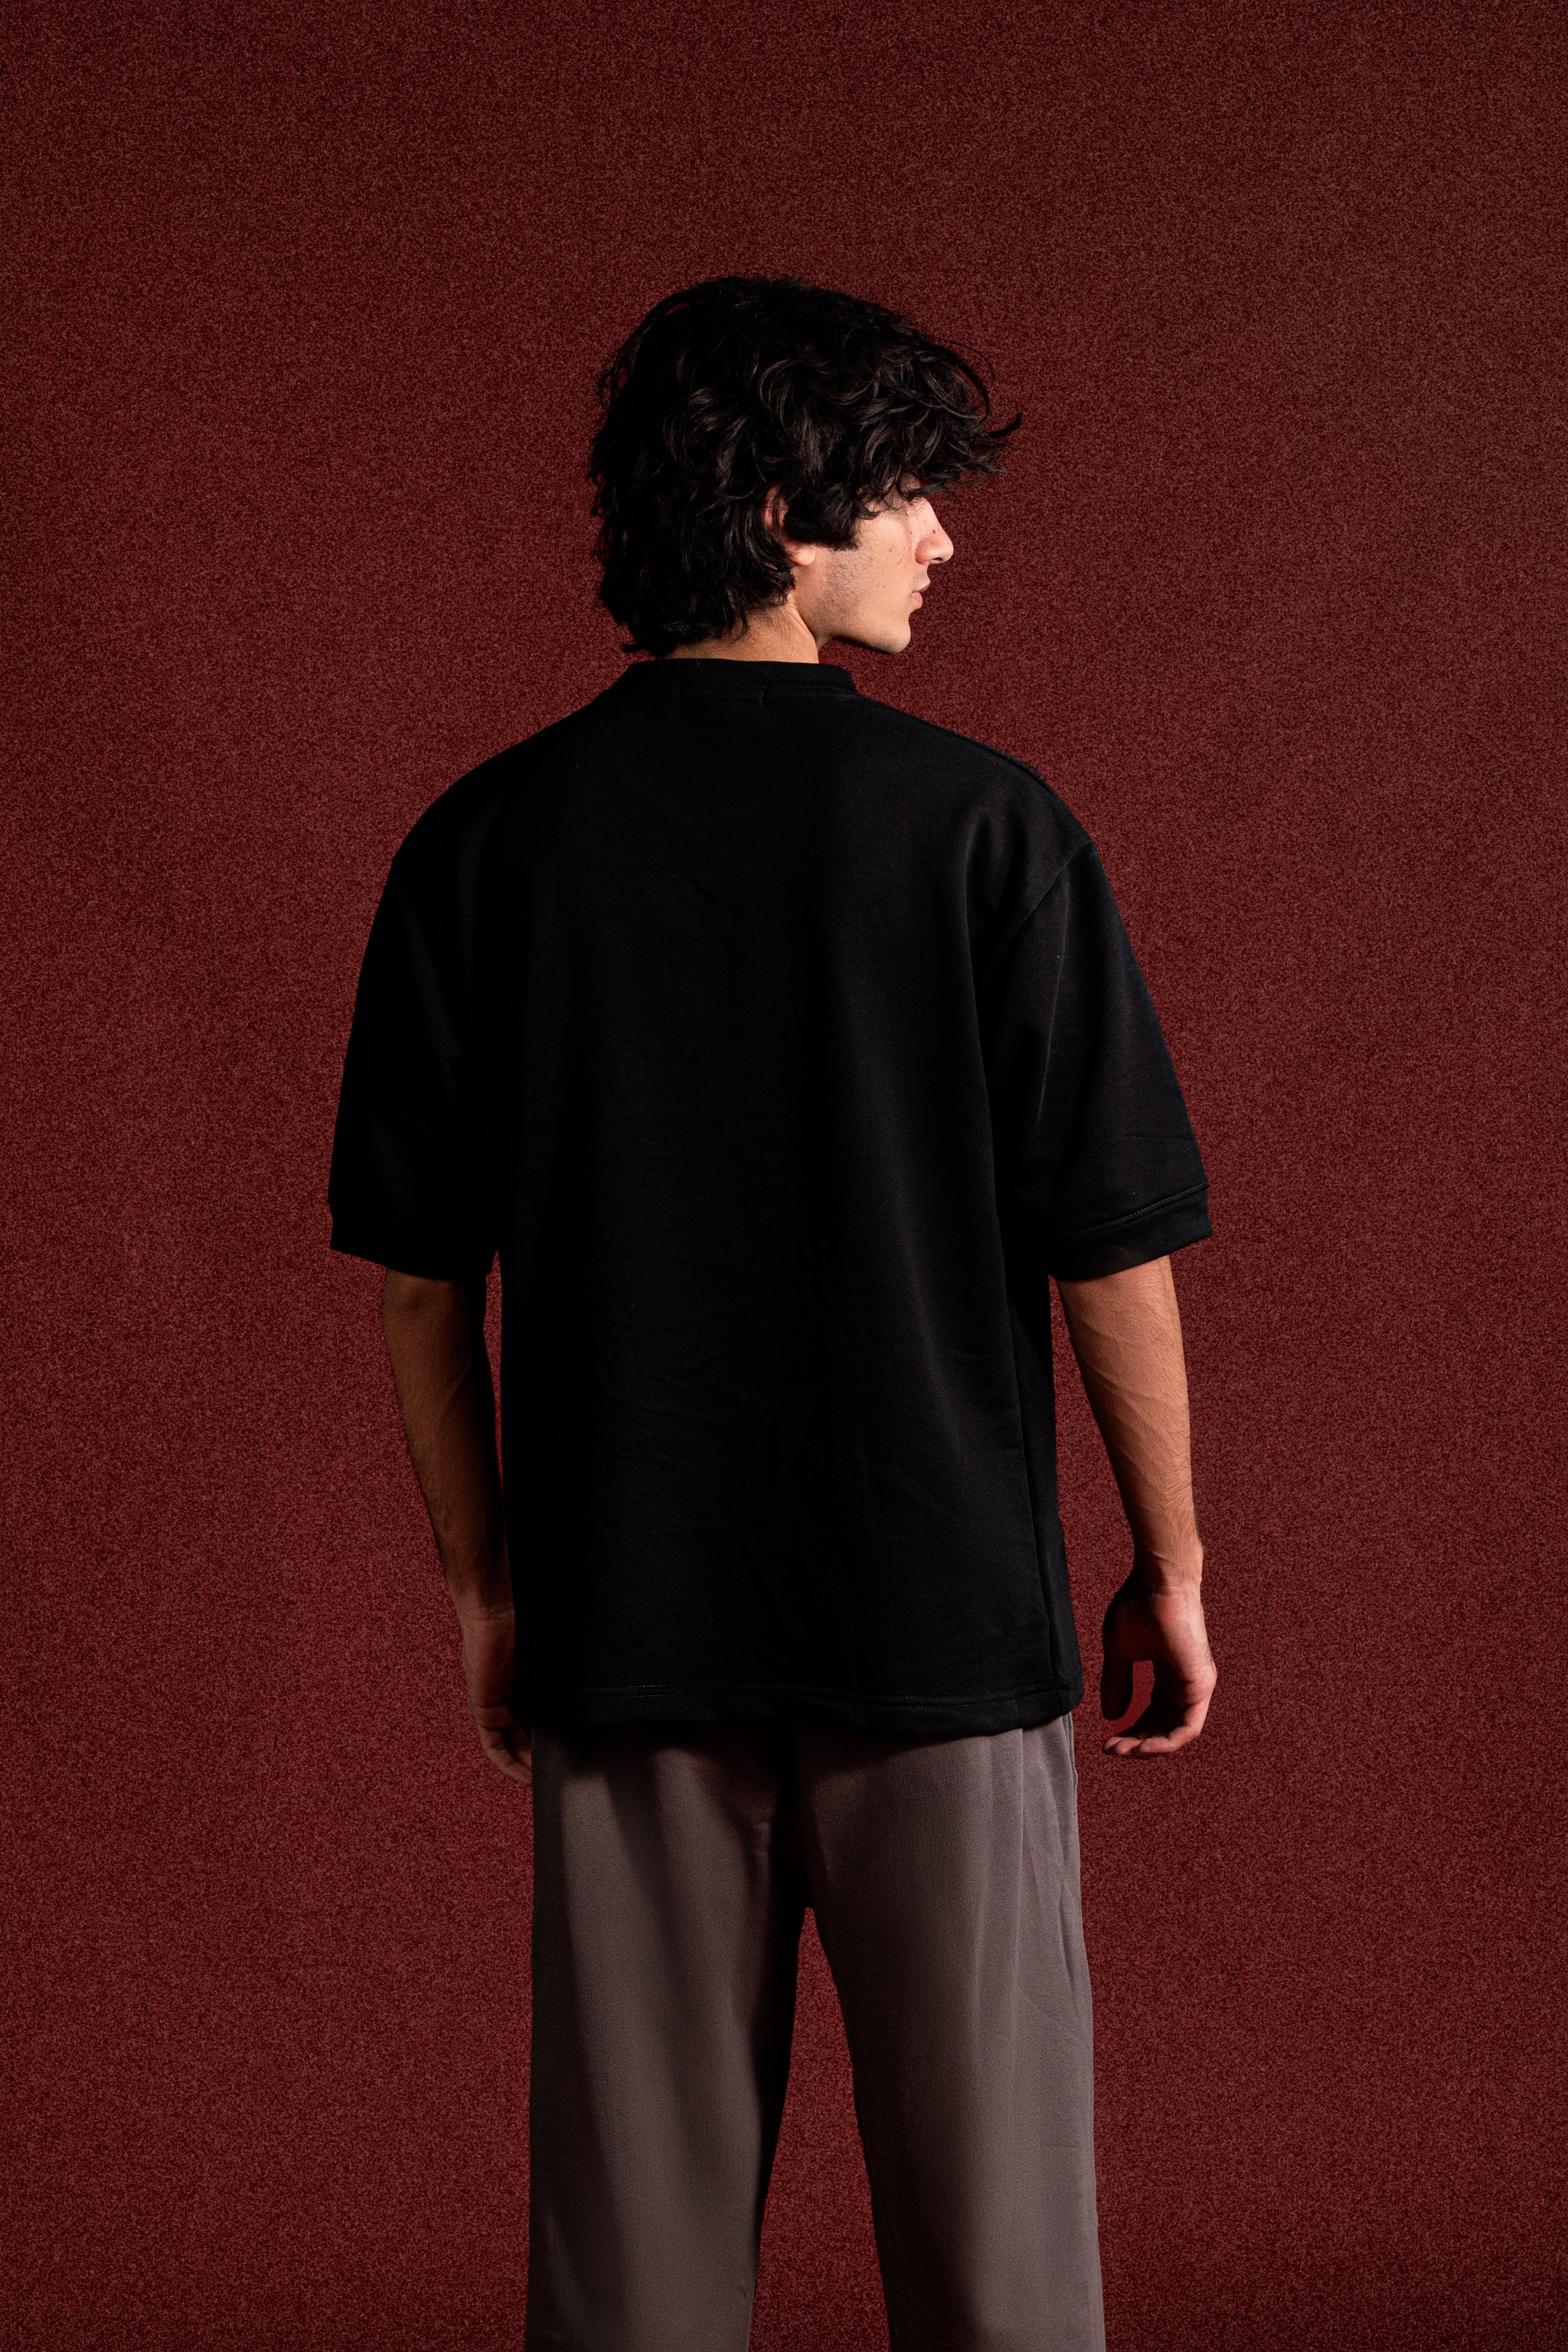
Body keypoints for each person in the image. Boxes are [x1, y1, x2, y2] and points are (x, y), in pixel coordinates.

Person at [327, 274, 1217, 2352]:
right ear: (778, 513)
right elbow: (1109, 1245)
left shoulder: (484, 848)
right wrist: (1168, 1562)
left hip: (631, 1631)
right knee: (1006, 2277)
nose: (943, 539)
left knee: (629, 2283)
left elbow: (420, 1284)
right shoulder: (988, 830)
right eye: (904, 492)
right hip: (940, 1631)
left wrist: (489, 1593)